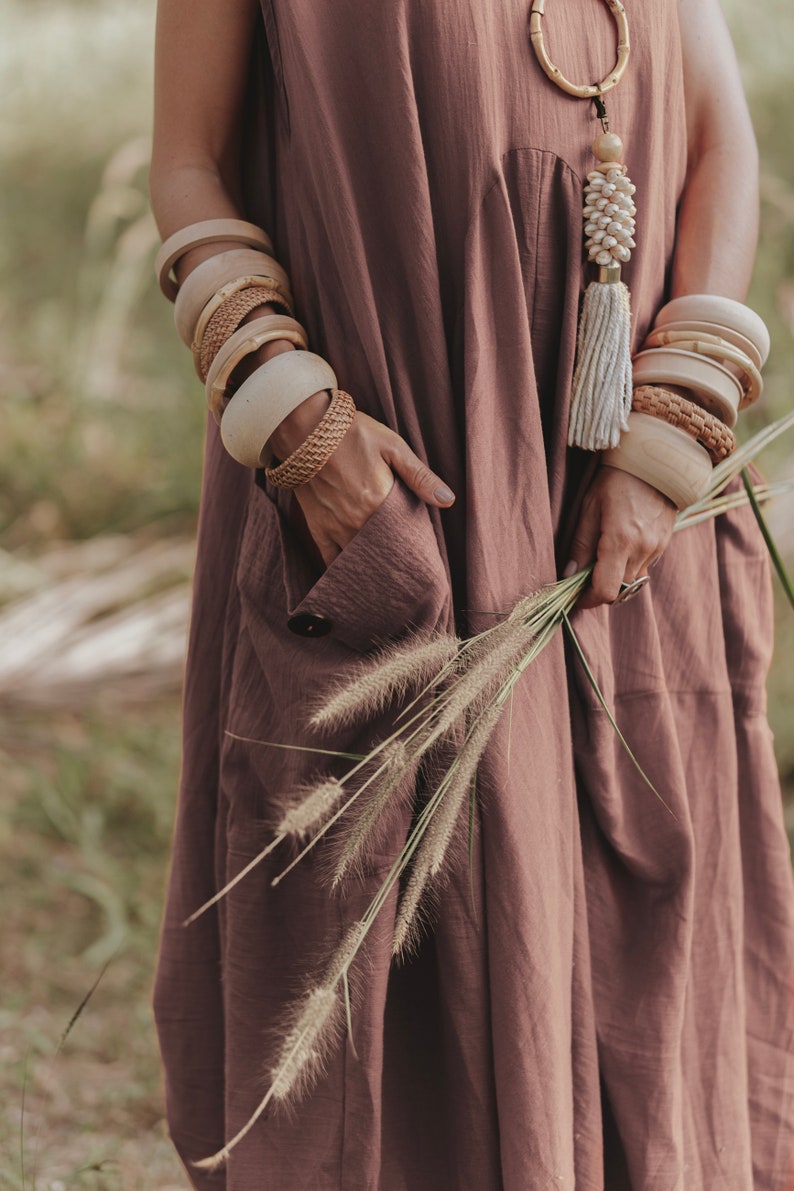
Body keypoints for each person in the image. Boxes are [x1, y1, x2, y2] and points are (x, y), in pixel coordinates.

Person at [150, 0, 794, 1186]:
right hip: (382, 459)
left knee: (627, 917)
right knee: (387, 915)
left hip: (620, 483)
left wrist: (671, 429)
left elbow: (718, 139)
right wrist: (292, 412)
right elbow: (184, 153)